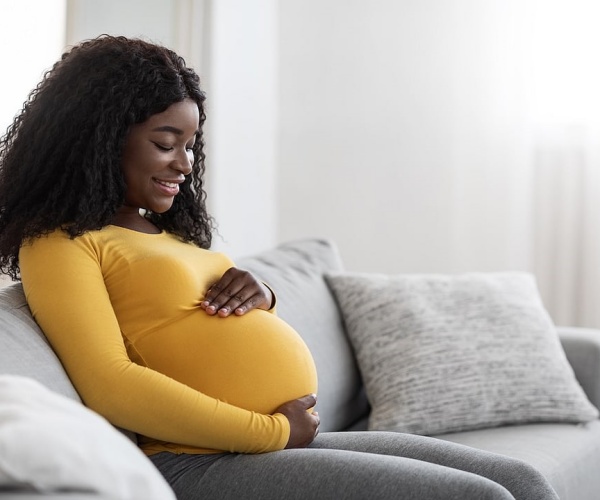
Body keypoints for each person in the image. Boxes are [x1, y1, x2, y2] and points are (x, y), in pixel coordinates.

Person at [0, 36, 558, 500]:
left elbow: (187, 318)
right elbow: (110, 384)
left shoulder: (161, 230)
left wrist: (262, 293)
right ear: (100, 140)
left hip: (271, 443)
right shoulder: (60, 242)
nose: (184, 164)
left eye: (190, 144)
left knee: (522, 481)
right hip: (194, 463)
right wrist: (271, 430)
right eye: (165, 143)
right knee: (481, 498)